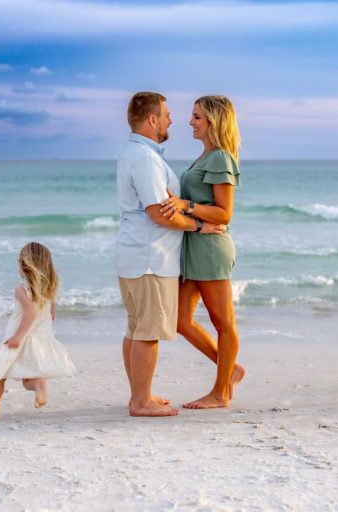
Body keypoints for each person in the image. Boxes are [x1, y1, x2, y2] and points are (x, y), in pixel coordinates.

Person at [116, 92, 224, 417]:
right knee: (147, 332)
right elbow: (159, 213)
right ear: (152, 119)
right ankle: (141, 401)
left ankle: (139, 394)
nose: (171, 120)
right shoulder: (146, 160)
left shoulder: (134, 153)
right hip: (151, 257)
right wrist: (199, 227)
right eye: (165, 115)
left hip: (136, 255)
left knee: (136, 329)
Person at [160, 95, 246, 409]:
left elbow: (224, 213)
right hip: (194, 247)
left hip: (211, 248)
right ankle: (231, 370)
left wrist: (186, 205)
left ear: (213, 120)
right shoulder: (204, 157)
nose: (190, 122)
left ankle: (221, 392)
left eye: (197, 117)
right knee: (181, 321)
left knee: (223, 323)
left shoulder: (221, 157)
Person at [0, 242, 75, 421]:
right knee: (27, 379)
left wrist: (17, 337)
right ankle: (38, 384)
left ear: (24, 266)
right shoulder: (48, 289)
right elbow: (51, 315)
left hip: (18, 338)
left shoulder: (21, 290)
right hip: (37, 339)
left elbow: (29, 314)